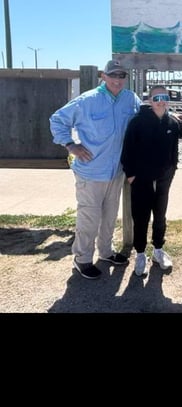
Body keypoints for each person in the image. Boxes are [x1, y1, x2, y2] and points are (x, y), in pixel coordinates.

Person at [49, 60, 142, 279]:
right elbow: (57, 120)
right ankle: (82, 259)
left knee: (109, 216)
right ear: (103, 76)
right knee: (89, 218)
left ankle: (106, 252)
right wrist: (71, 145)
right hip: (91, 172)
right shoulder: (86, 100)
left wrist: (168, 115)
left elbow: (144, 115)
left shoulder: (131, 99)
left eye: (121, 76)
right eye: (113, 75)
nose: (117, 80)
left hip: (116, 171)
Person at [120, 85, 180, 276]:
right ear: (149, 101)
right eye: (156, 98)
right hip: (141, 180)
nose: (160, 101)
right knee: (140, 217)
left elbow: (174, 152)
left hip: (163, 180)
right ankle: (139, 254)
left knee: (160, 216)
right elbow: (127, 151)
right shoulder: (137, 122)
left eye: (164, 97)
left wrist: (172, 170)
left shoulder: (173, 123)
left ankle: (158, 250)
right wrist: (131, 175)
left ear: (168, 100)